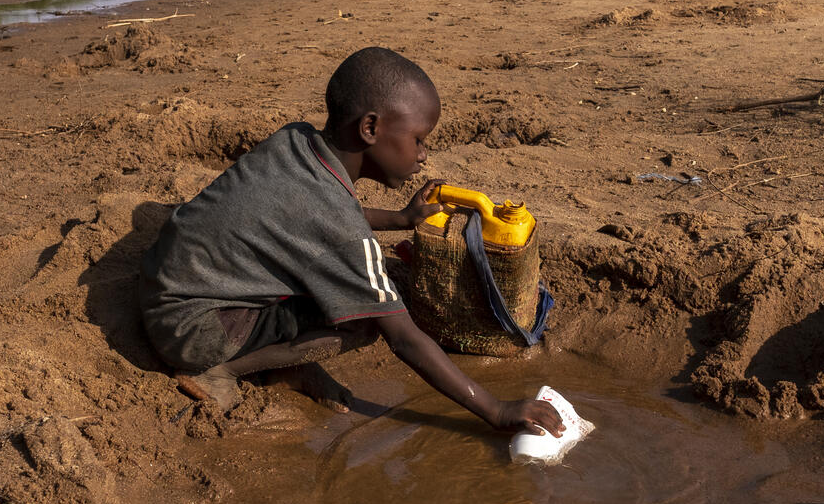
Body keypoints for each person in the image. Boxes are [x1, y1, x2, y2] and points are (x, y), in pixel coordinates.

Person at [138, 45, 564, 438]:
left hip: (167, 287)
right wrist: (496, 409)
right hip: (192, 331)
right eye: (418, 139)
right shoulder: (336, 219)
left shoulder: (297, 141)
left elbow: (309, 219)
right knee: (363, 320)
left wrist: (400, 219)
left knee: (338, 282)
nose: (423, 155)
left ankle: (288, 365)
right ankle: (225, 370)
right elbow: (403, 337)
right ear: (370, 128)